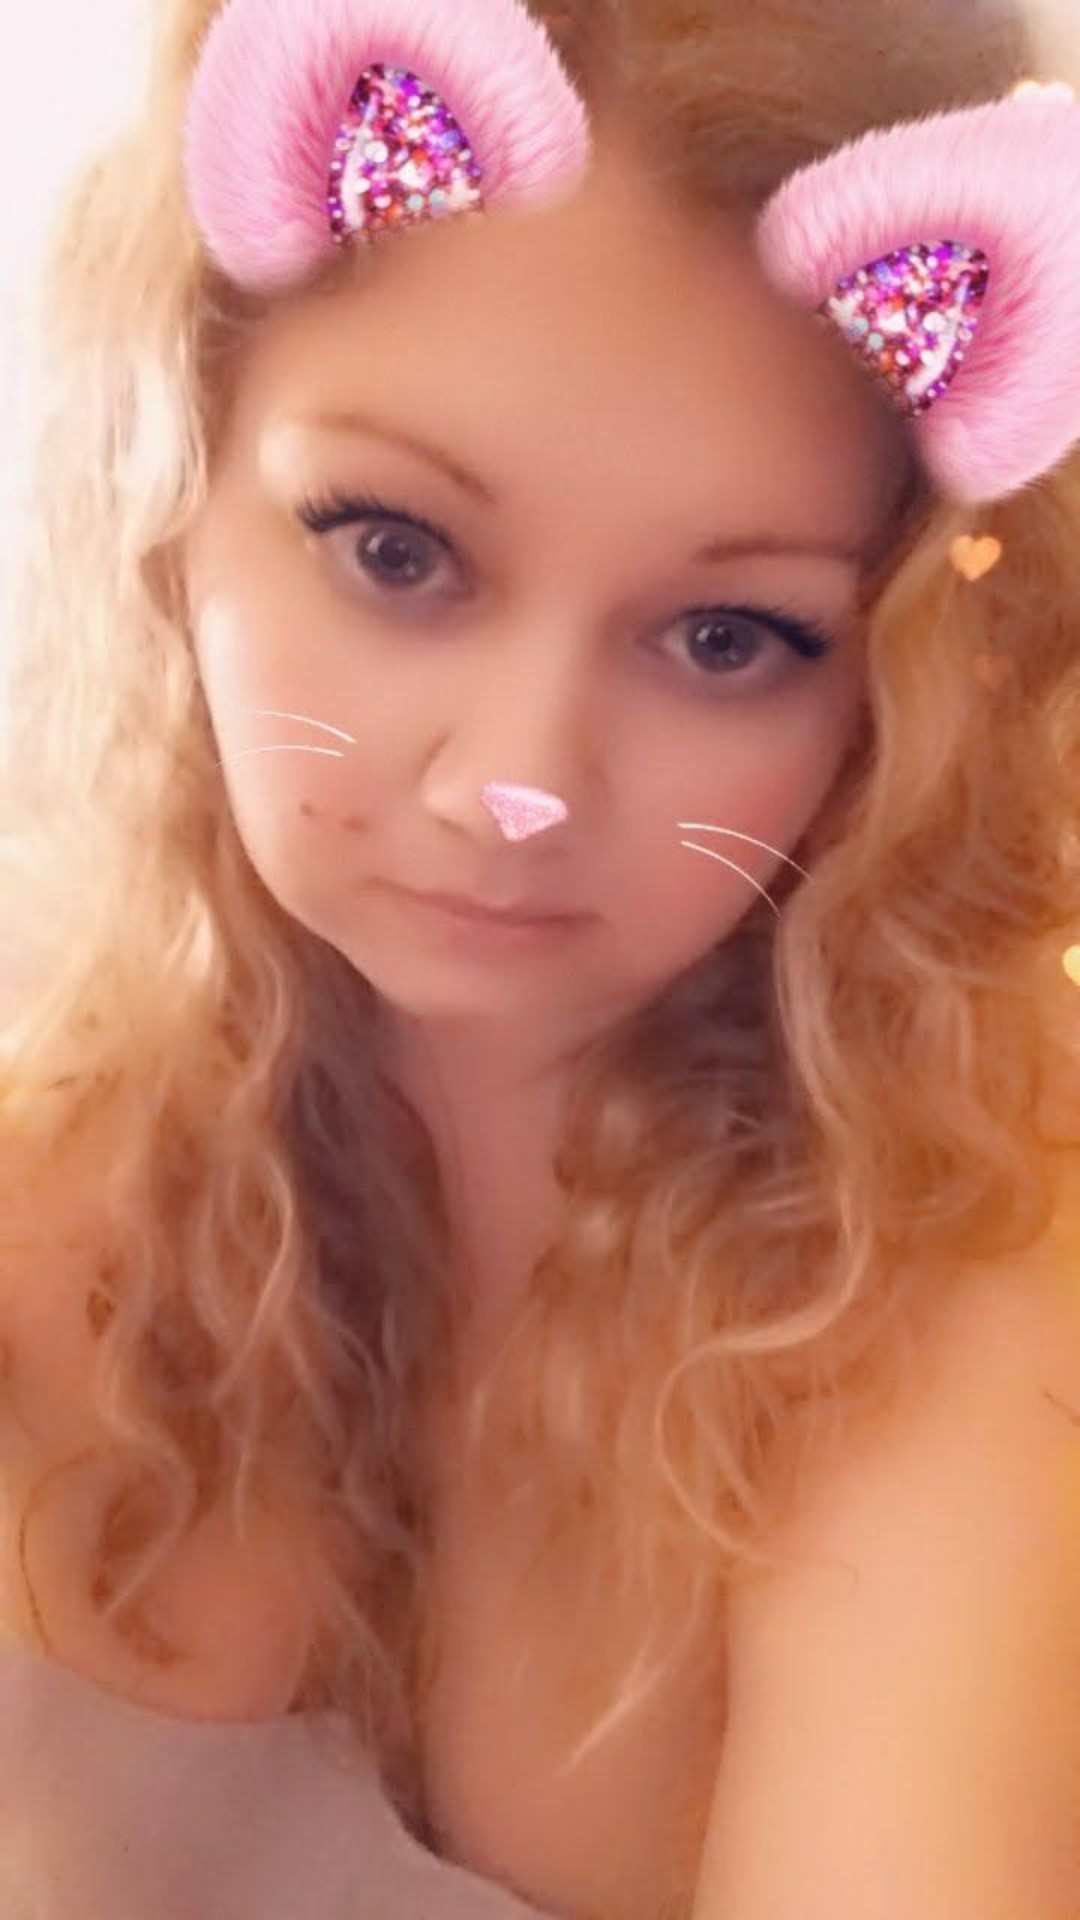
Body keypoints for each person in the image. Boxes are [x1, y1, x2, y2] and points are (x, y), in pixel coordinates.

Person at [0, 0, 1078, 1915]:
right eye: (396, 552)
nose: (515, 785)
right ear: (181, 476)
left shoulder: (964, 1282)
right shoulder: (59, 1151)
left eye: (728, 639)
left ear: (900, 692)